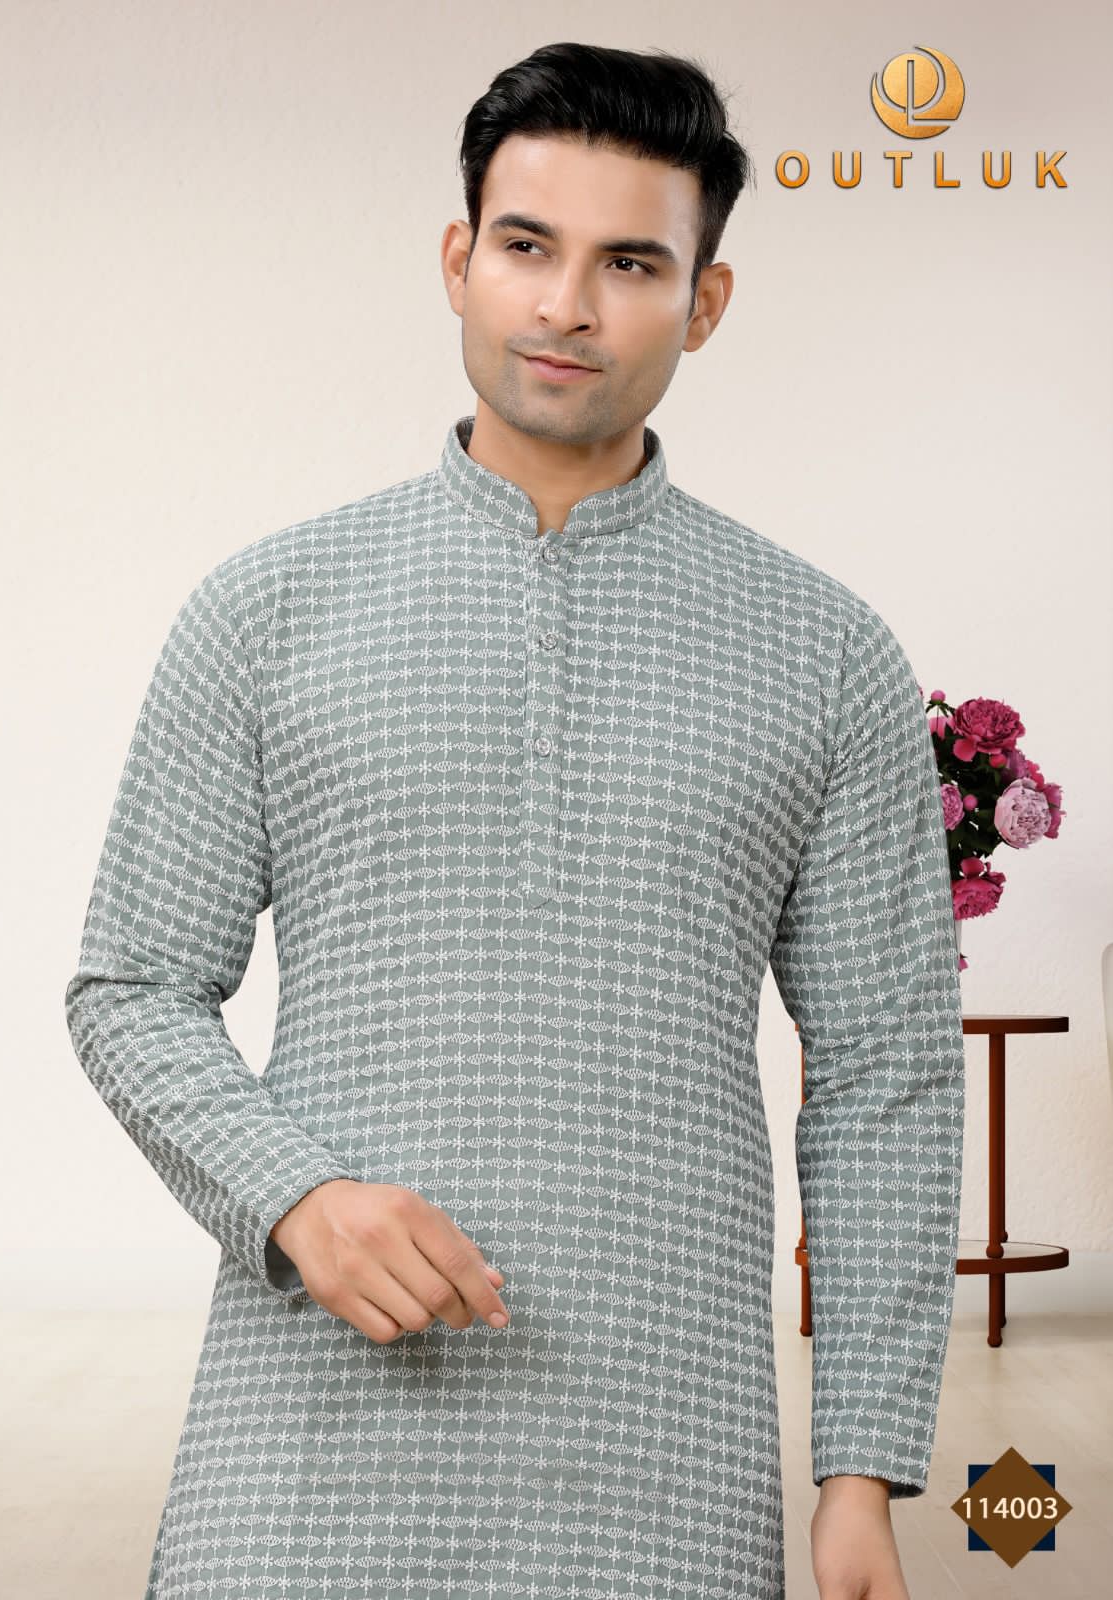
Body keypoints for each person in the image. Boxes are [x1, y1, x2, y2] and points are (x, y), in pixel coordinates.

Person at [64, 40, 964, 1600]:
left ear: (703, 302)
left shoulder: (823, 651)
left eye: (630, 264)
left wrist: (860, 1469)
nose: (566, 305)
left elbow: (886, 1067)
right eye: (527, 246)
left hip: (663, 1444)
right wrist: (293, 1197)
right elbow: (132, 985)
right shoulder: (267, 611)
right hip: (303, 1431)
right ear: (457, 261)